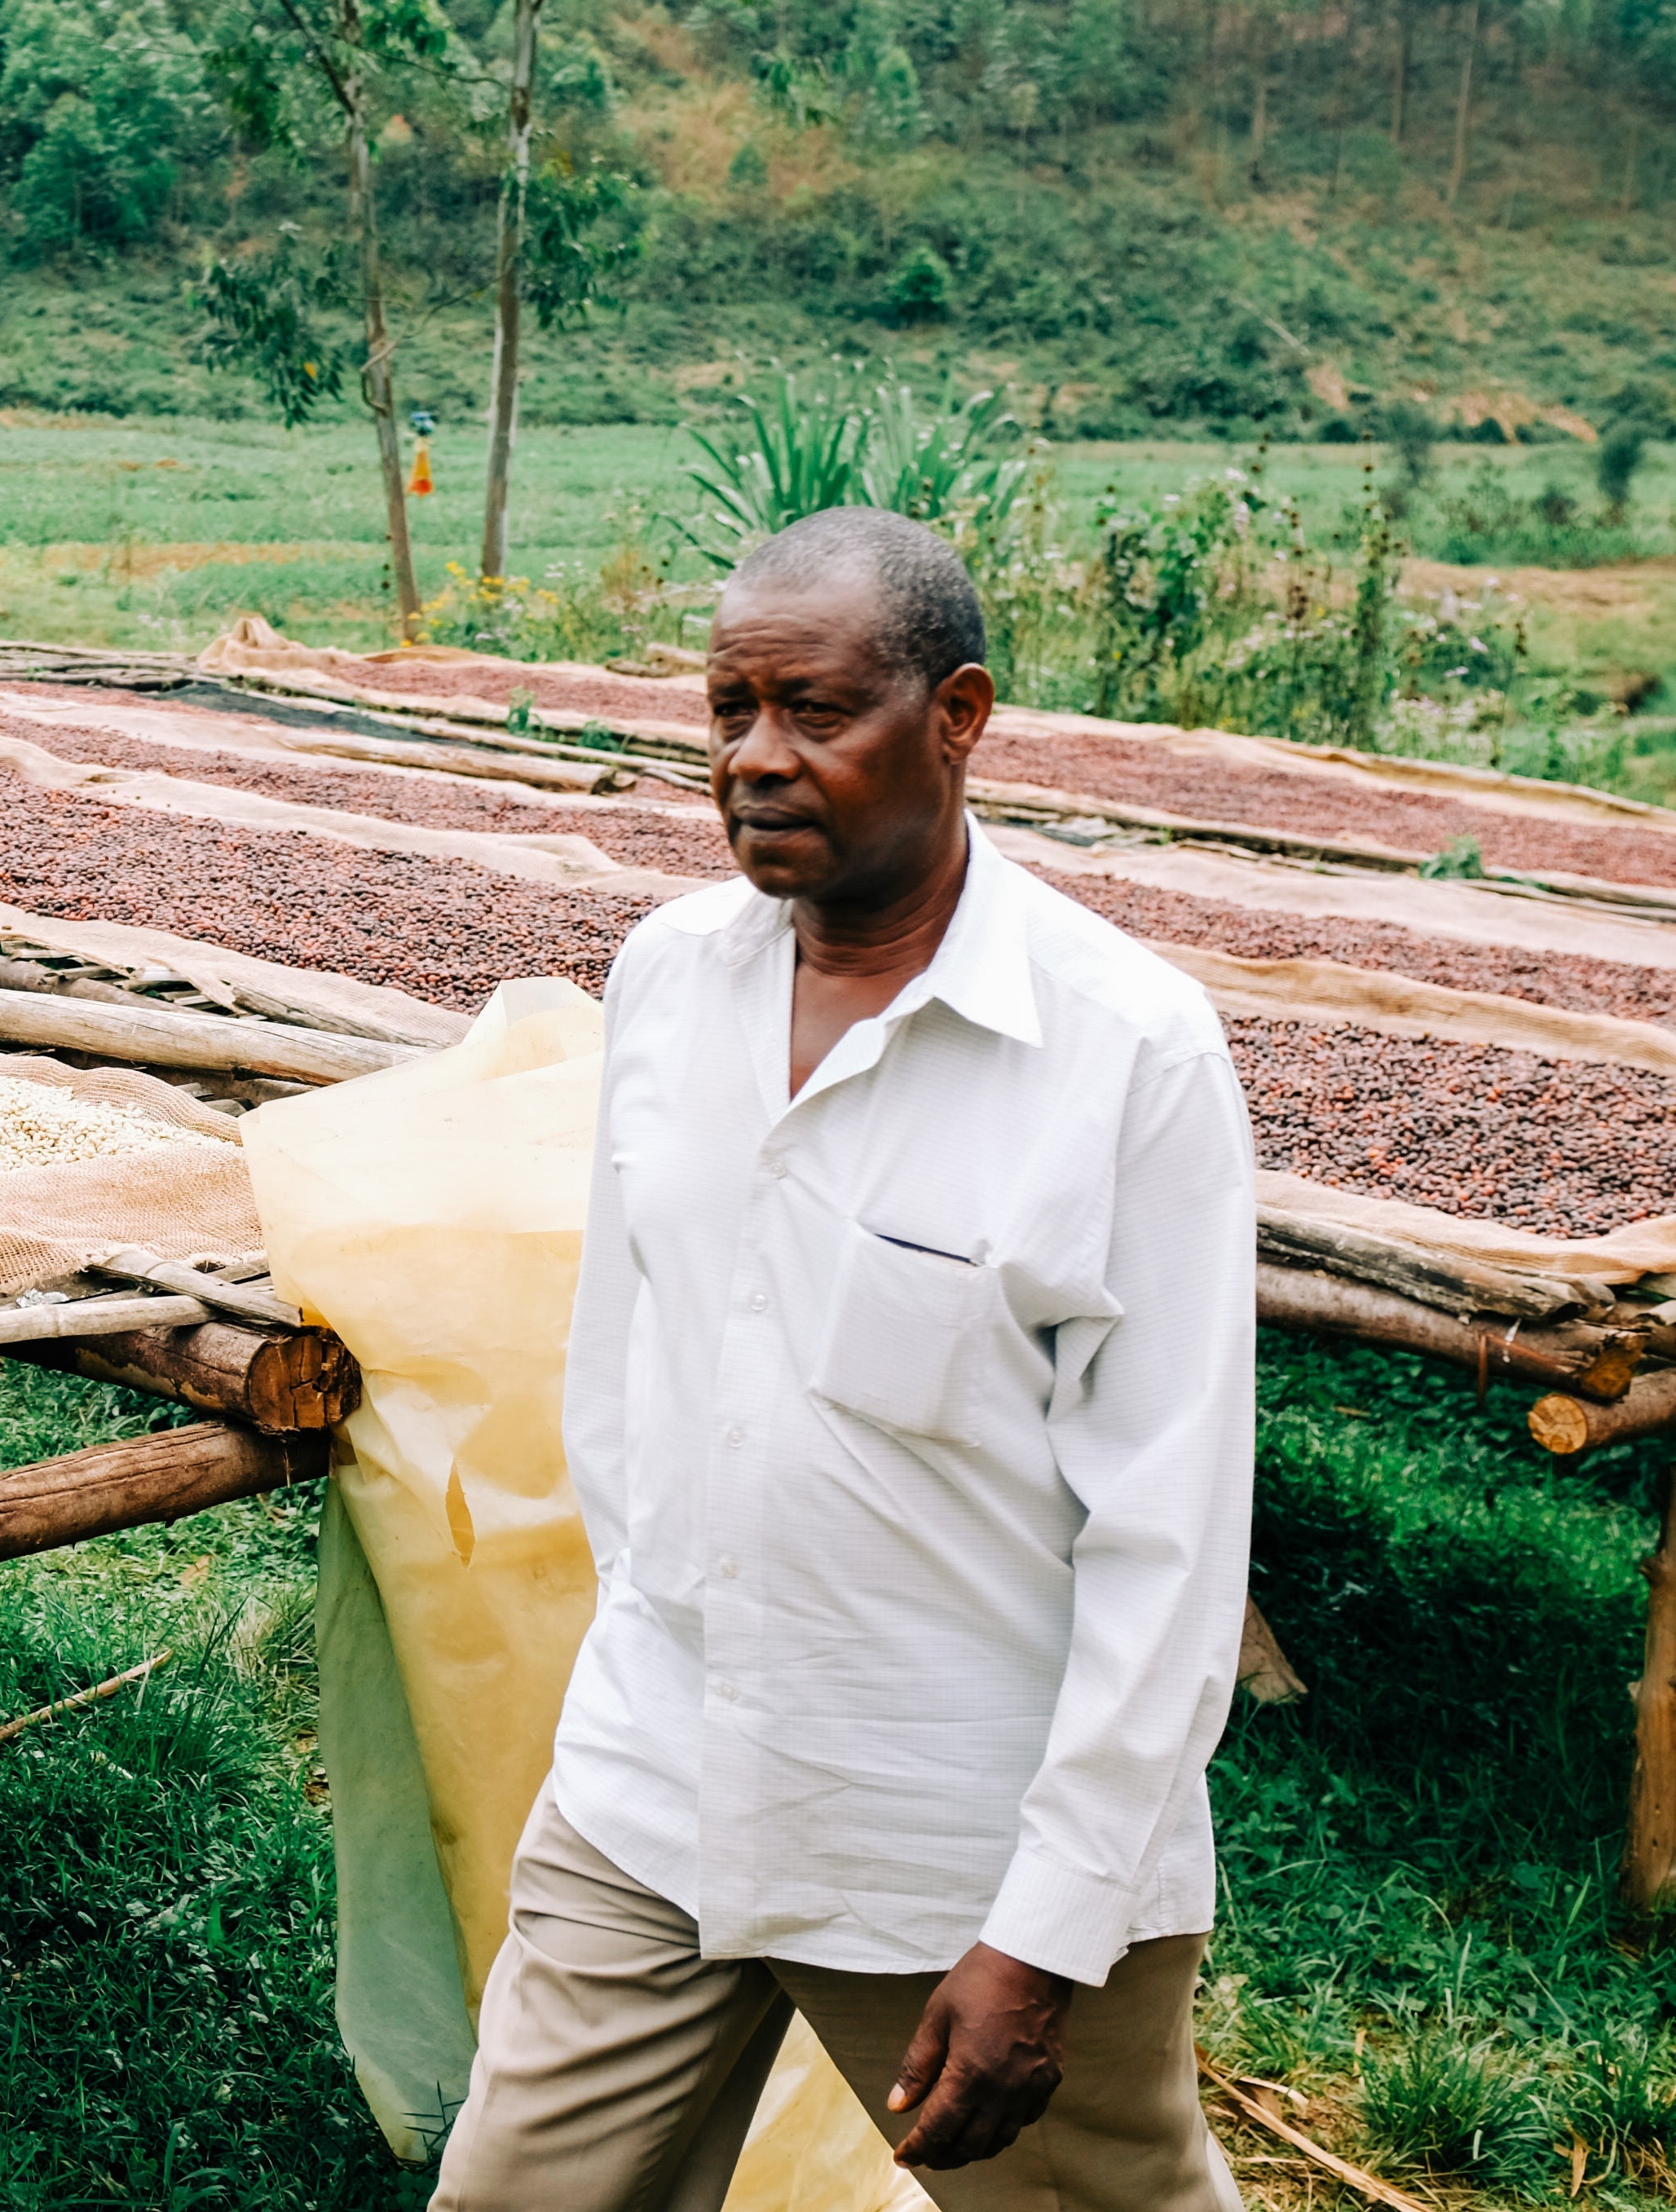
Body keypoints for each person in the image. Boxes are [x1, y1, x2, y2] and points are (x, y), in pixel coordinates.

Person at [429, 508, 1254, 2211]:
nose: (756, 757)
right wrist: (646, 1647)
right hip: (656, 1786)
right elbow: (630, 1370)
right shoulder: (671, 979)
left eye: (814, 710)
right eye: (728, 709)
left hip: (952, 1840)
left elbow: (1170, 1538)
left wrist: (1050, 1926)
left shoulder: (1125, 1052)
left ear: (958, 716)